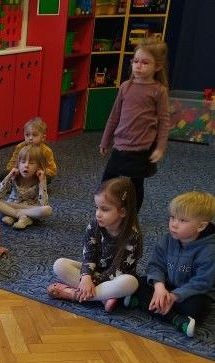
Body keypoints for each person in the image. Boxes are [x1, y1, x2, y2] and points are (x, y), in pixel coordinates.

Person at [123, 191, 215, 337]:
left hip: (193, 292)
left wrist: (174, 296)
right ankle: (175, 318)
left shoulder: (209, 250)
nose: (174, 224)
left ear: (201, 226)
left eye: (182, 220)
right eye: (172, 217)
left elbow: (202, 282)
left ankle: (146, 305)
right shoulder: (168, 239)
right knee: (136, 282)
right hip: (168, 285)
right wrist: (159, 287)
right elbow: (155, 265)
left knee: (197, 307)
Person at [47, 177, 142, 312]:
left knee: (131, 283)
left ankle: (73, 294)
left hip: (116, 278)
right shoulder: (94, 225)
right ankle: (103, 297)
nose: (98, 214)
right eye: (97, 208)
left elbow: (117, 271)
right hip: (93, 272)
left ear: (123, 211)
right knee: (59, 264)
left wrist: (90, 282)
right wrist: (86, 276)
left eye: (104, 209)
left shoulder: (132, 236)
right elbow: (89, 254)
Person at [99, 38, 170, 213]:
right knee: (107, 181)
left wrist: (160, 148)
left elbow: (164, 121)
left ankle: (132, 216)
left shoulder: (159, 90)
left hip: (142, 147)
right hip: (121, 145)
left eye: (145, 62)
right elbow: (114, 116)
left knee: (136, 184)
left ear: (157, 66)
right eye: (136, 61)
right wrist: (105, 140)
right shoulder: (126, 87)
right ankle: (104, 210)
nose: (138, 66)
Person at [0, 144, 53, 230]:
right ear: (18, 164)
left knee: (47, 210)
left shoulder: (39, 179)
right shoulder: (15, 176)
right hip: (13, 205)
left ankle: (13, 215)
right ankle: (21, 216)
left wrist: (42, 182)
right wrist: (8, 177)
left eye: (31, 163)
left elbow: (43, 204)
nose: (26, 165)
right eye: (23, 162)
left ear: (38, 167)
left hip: (29, 208)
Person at [4, 117, 57, 182]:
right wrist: (13, 170)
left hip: (37, 174)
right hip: (21, 172)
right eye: (27, 135)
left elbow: (52, 169)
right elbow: (13, 162)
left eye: (34, 135)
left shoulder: (46, 151)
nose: (30, 138)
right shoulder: (20, 147)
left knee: (48, 179)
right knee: (4, 175)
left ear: (43, 137)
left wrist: (41, 171)